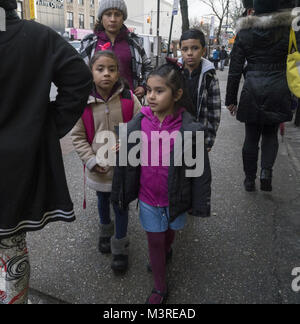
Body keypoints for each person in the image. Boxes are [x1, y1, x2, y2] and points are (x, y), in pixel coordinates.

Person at [0, 0, 92, 304]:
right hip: (17, 167)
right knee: (10, 246)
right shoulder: (39, 37)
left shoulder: (37, 36)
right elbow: (78, 80)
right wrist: (44, 127)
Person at [111, 60, 212, 304]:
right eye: (149, 90)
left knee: (168, 234)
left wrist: (198, 203)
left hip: (175, 198)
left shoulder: (189, 130)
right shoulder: (139, 122)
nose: (151, 96)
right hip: (148, 198)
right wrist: (121, 150)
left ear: (177, 94)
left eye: (159, 91)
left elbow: (200, 172)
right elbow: (127, 159)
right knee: (154, 240)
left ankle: (167, 249)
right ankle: (159, 287)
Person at [71, 51, 141, 273]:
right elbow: (78, 137)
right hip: (99, 168)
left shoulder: (129, 98)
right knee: (102, 201)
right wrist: (90, 161)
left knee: (121, 206)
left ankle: (120, 246)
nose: (106, 74)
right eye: (100, 69)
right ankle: (105, 231)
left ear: (118, 72)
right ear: (91, 72)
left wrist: (130, 142)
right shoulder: (83, 102)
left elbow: (143, 126)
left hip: (124, 168)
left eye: (111, 69)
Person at [225, 0, 294, 192]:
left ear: (255, 8)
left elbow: (235, 68)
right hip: (279, 88)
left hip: (252, 89)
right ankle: (266, 172)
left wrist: (231, 99)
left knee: (251, 136)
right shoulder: (288, 31)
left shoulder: (245, 33)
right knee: (271, 133)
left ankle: (249, 179)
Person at [80, 0, 153, 101]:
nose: (113, 19)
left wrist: (143, 86)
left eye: (117, 14)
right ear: (101, 18)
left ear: (123, 18)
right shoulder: (89, 42)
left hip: (129, 101)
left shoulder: (134, 42)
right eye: (108, 14)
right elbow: (80, 72)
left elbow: (148, 67)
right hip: (96, 102)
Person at [180, 29, 221, 151]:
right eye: (185, 49)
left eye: (195, 48)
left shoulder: (209, 76)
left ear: (203, 50)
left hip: (197, 136)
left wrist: (209, 140)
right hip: (174, 133)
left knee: (195, 168)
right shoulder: (174, 72)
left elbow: (214, 112)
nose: (190, 53)